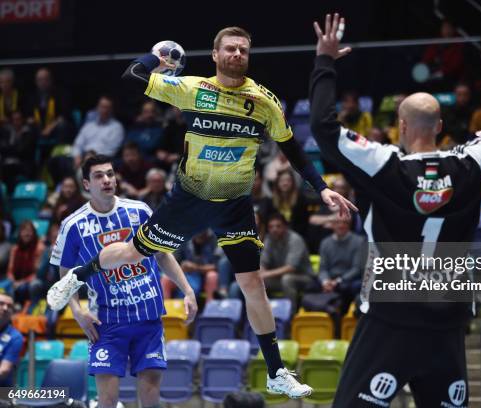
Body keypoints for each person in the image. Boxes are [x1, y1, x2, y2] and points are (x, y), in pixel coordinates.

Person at [48, 26, 356, 399]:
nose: (237, 54)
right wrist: (156, 59)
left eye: (243, 50)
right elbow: (132, 77)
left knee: (252, 283)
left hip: (235, 205)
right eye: (230, 49)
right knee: (132, 252)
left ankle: (276, 371)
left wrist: (321, 188)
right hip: (189, 200)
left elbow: (293, 150)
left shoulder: (264, 102)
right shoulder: (193, 89)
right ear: (215, 54)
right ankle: (76, 277)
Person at [310, 13, 481, 407]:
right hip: (447, 322)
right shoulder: (473, 162)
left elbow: (324, 127)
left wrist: (325, 61)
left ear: (401, 126)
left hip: (390, 320)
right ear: (441, 124)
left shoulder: (383, 163)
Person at [50, 154, 197, 408]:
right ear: (86, 184)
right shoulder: (72, 225)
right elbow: (66, 275)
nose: (107, 180)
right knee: (108, 401)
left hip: (147, 317)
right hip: (106, 322)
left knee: (150, 398)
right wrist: (77, 312)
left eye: (110, 174)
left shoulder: (139, 211)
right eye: (98, 176)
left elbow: (162, 255)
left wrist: (187, 290)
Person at [72, 96, 125, 168]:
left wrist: (92, 156)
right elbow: (78, 144)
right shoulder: (89, 125)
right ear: (97, 107)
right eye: (102, 107)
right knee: (61, 160)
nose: (104, 110)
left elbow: (111, 150)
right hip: (82, 158)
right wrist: (77, 156)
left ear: (112, 109)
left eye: (107, 107)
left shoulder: (117, 127)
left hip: (101, 161)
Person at [7, 220, 45, 305]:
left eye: (29, 231)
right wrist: (12, 281)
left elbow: (37, 273)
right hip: (16, 281)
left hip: (32, 281)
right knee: (7, 285)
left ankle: (33, 310)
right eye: (24, 231)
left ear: (34, 233)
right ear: (19, 233)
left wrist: (21, 282)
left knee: (35, 284)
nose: (26, 234)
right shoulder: (15, 249)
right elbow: (10, 270)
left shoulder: (39, 248)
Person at [0, 293, 24, 387]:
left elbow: (4, 370)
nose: (5, 308)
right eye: (1, 304)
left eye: (9, 306)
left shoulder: (15, 337)